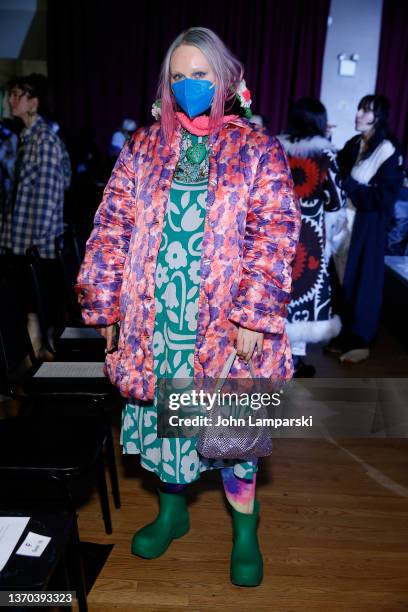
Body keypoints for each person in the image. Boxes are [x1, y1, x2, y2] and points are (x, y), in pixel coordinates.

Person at [76, 27, 300, 587]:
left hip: (225, 324)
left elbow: (275, 234)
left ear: (225, 80)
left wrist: (253, 312)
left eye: (200, 74)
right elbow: (113, 226)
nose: (189, 85)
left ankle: (246, 531)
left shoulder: (255, 149)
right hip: (157, 319)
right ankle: (172, 511)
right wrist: (106, 305)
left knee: (230, 431)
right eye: (178, 75)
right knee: (169, 429)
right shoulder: (144, 146)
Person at [0, 74, 71, 357]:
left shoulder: (44, 141)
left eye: (18, 95)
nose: (10, 100)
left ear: (34, 103)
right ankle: (31, 370)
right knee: (25, 313)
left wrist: (32, 250)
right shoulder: (26, 138)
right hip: (20, 245)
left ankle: (35, 377)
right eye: (10, 95)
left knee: (35, 315)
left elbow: (47, 200)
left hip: (34, 249)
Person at [330, 95, 404, 363]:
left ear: (378, 116)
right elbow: (336, 170)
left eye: (366, 110)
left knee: (363, 283)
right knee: (341, 280)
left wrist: (352, 186)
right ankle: (343, 335)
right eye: (360, 108)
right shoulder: (354, 144)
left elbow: (382, 197)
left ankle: (361, 340)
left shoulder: (388, 148)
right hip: (346, 222)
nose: (359, 114)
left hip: (369, 227)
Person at [278, 98, 345, 377]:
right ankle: (295, 359)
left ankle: (273, 357)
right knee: (305, 292)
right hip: (310, 234)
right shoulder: (324, 154)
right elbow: (335, 198)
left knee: (279, 290)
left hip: (279, 231)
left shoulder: (277, 148)